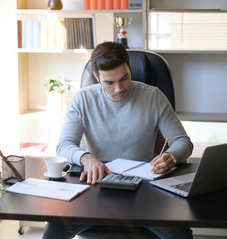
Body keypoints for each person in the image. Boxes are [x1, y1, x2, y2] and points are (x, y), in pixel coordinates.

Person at [42, 41, 194, 239]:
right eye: (109, 82)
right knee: (53, 231)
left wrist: (171, 156)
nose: (118, 89)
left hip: (142, 192)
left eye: (124, 78)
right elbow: (63, 146)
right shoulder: (83, 99)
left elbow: (183, 142)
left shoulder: (153, 97)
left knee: (180, 234)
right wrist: (86, 158)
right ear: (97, 77)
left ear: (130, 67)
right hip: (95, 191)